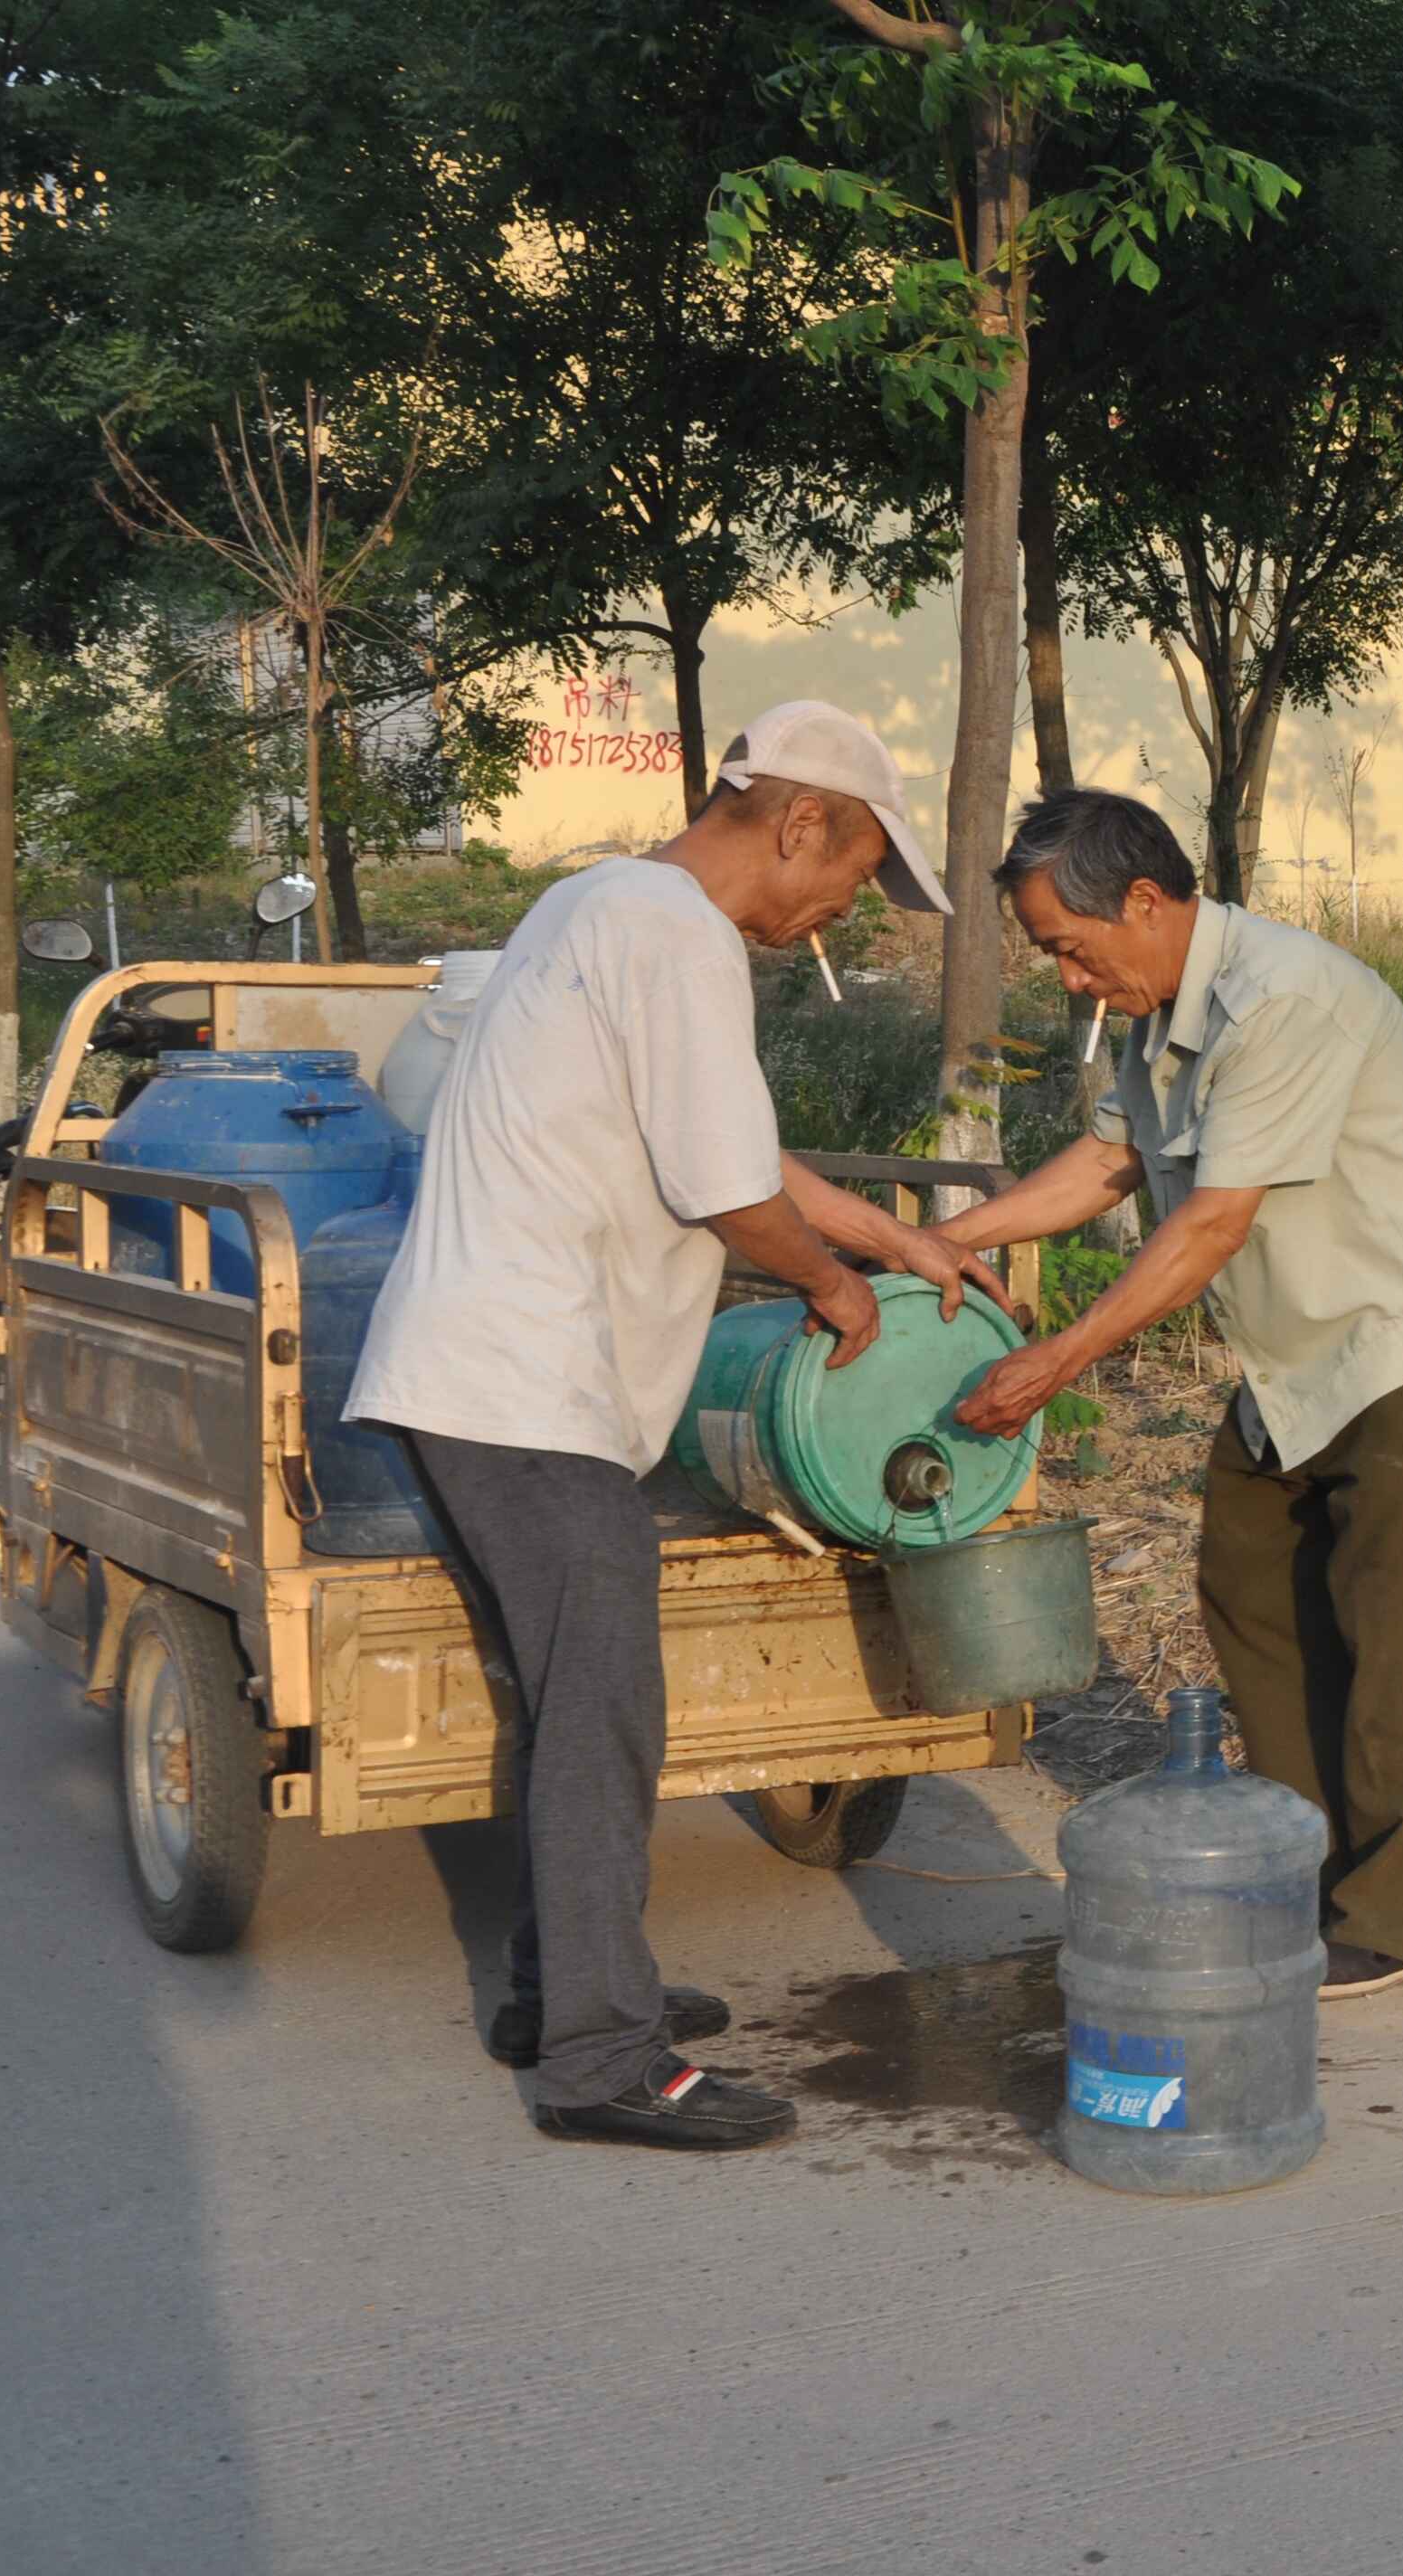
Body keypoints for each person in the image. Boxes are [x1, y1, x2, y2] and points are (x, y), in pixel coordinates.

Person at [349, 702, 1007, 2149]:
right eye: (852, 880)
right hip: (525, 1386)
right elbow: (732, 1197)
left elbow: (741, 1155)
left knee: (564, 1700)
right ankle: (601, 2059)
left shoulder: (600, 904)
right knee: (603, 1710)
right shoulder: (674, 934)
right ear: (801, 821)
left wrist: (898, 1246)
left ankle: (559, 1990)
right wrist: (836, 1284)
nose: (839, 914)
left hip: (486, 1376)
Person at [938, 788, 1403, 1998]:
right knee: (1249, 1582)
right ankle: (1310, 1861)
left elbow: (1208, 1223)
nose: (1067, 976)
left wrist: (1056, 1360)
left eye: (1066, 946)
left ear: (1143, 903)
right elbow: (1105, 1166)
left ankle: (1399, 1915)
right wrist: (952, 1243)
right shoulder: (1154, 1014)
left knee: (1389, 1623)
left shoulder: (1281, 1000)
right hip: (1295, 1352)